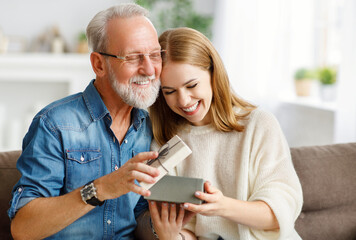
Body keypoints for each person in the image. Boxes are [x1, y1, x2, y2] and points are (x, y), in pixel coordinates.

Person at [8, 3, 164, 239]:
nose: (150, 69)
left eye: (155, 55)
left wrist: (164, 227)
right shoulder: (55, 124)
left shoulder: (150, 127)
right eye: (133, 57)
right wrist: (100, 189)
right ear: (99, 64)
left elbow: (139, 214)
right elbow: (23, 229)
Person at [148, 27, 303, 240]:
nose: (183, 100)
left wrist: (222, 206)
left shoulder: (258, 124)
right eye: (170, 92)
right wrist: (171, 236)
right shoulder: (166, 143)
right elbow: (188, 228)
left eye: (191, 85)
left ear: (213, 74)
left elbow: (280, 214)